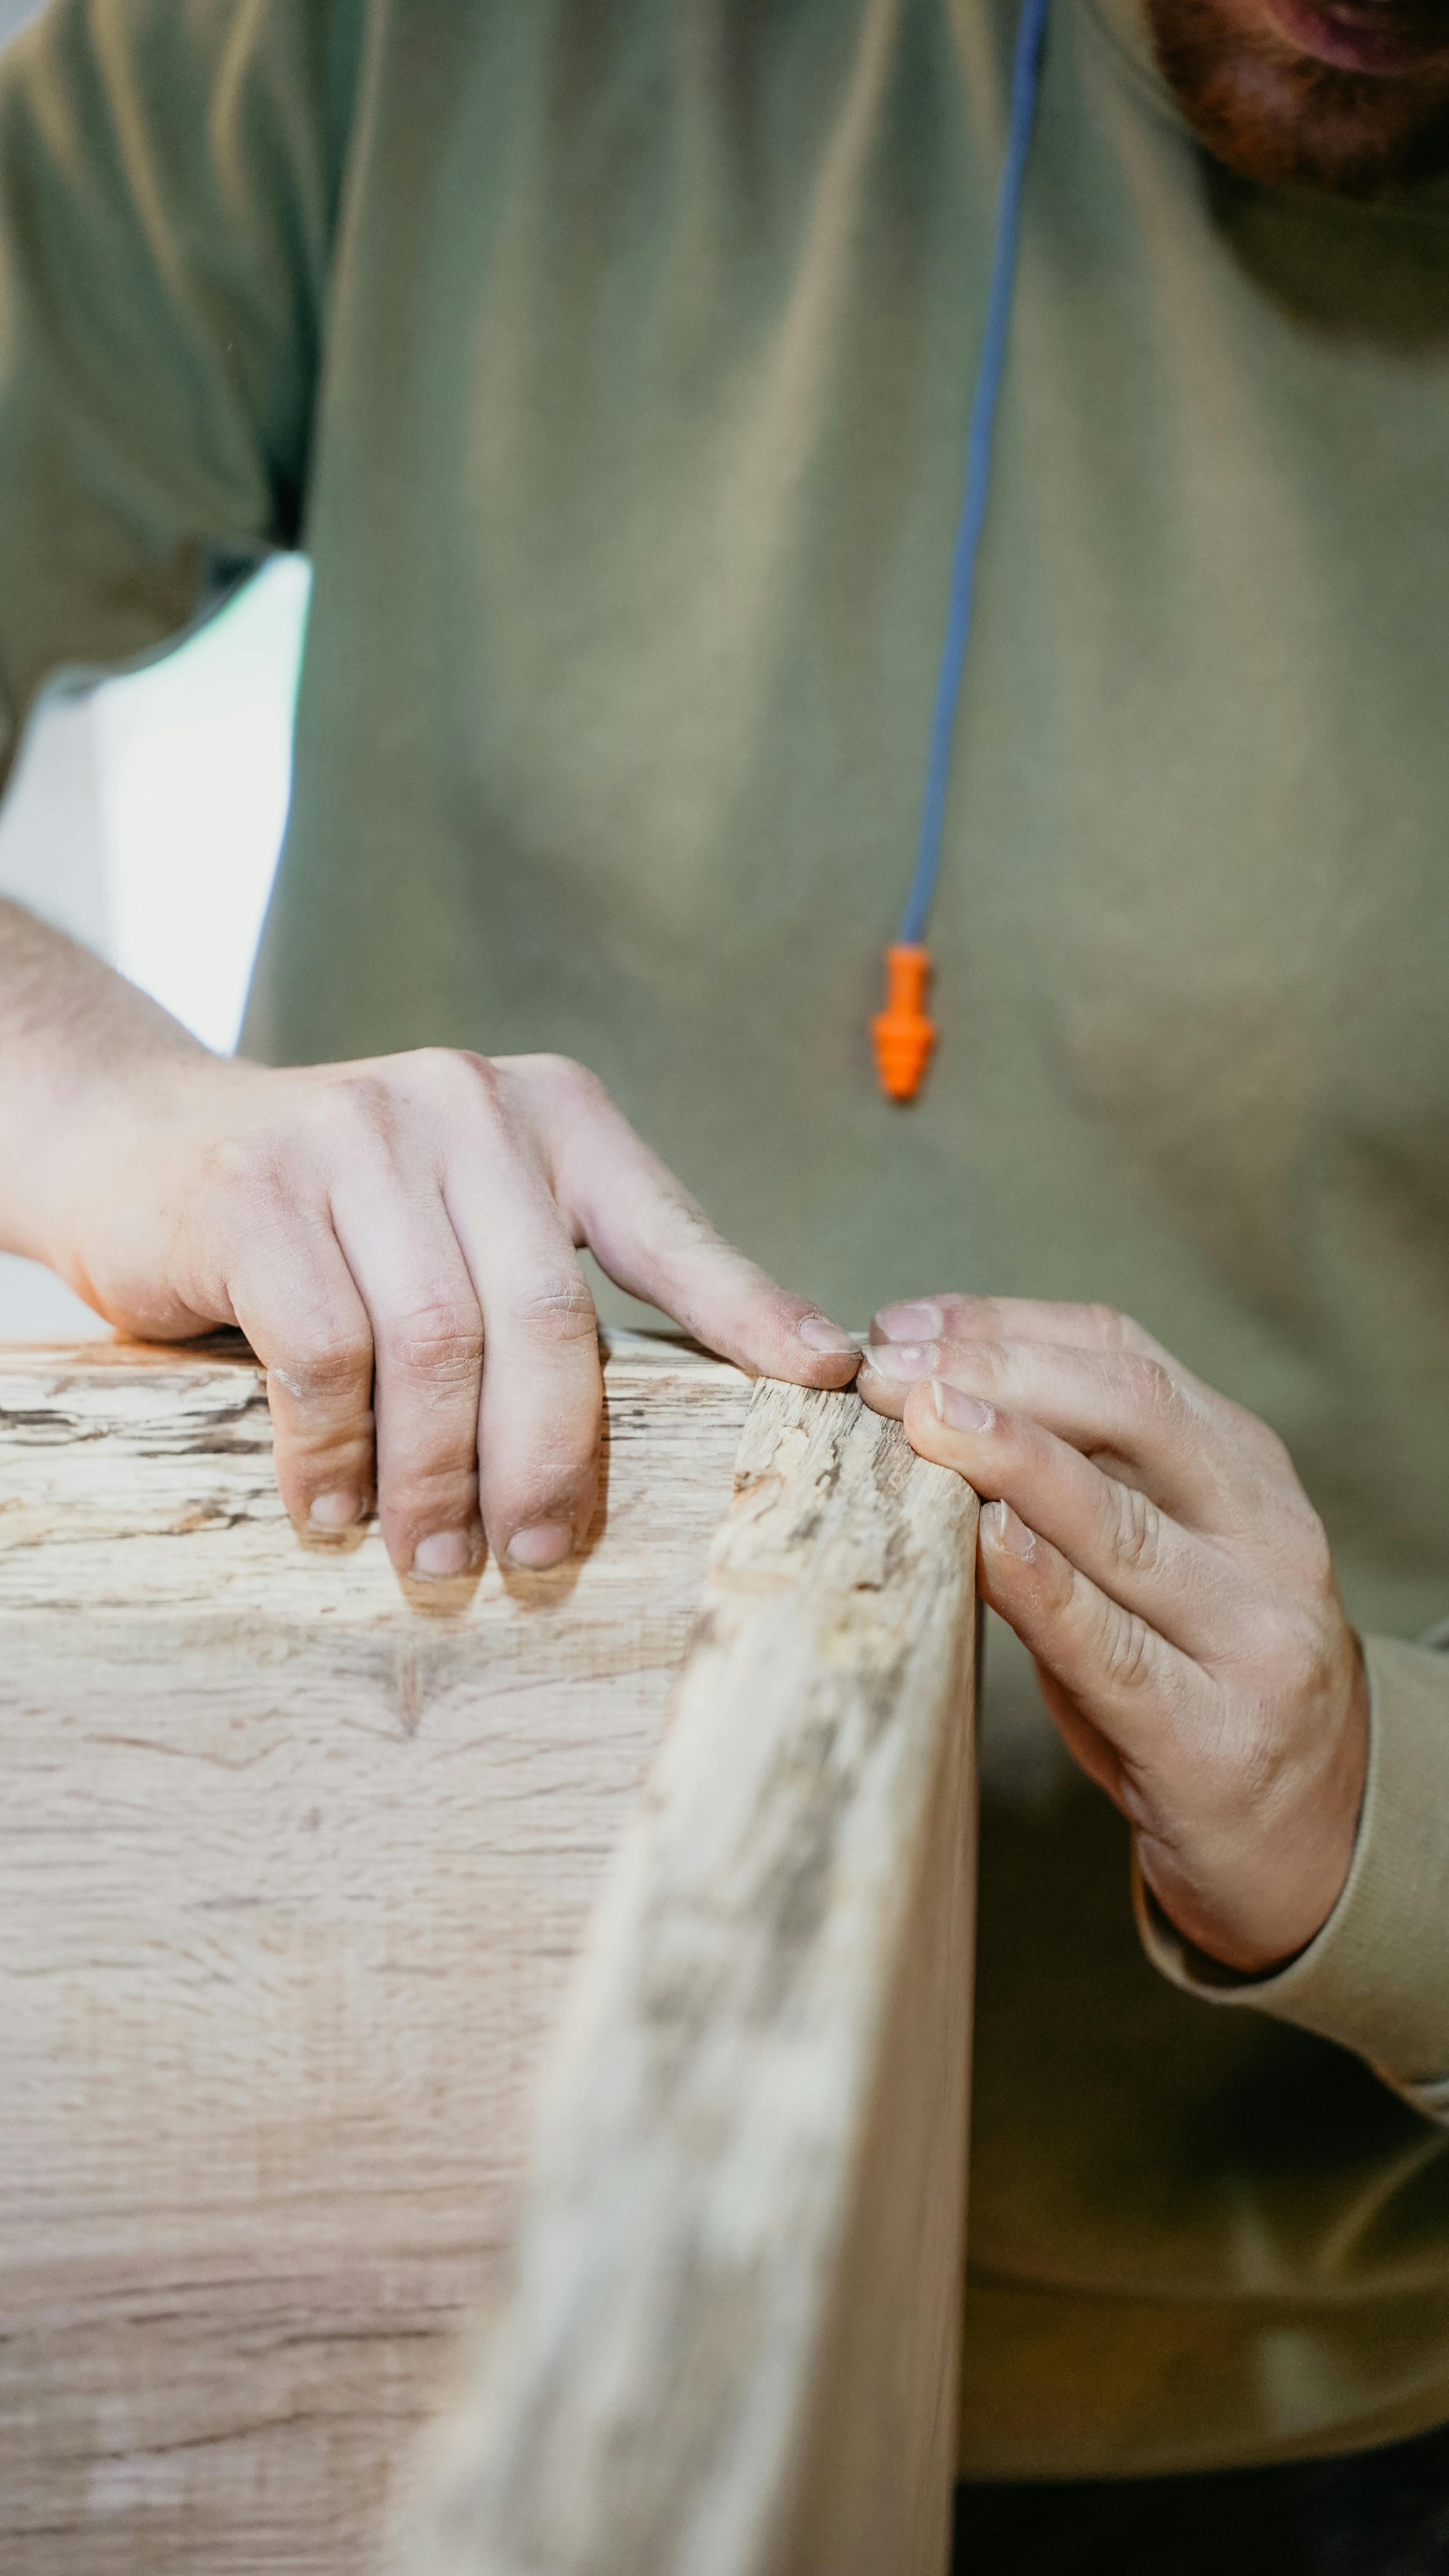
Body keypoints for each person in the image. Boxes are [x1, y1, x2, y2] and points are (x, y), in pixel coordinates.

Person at [1, 1, 1447, 2565]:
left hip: (1302, 2418)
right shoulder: (403, 53)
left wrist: (1382, 1825)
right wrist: (104, 1105)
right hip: (401, 2268)